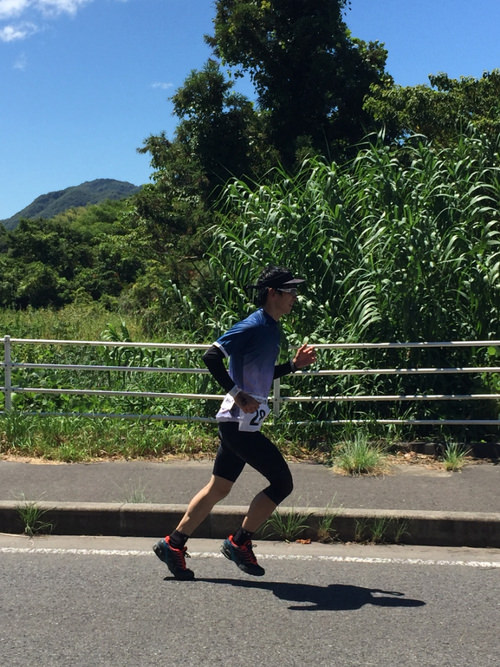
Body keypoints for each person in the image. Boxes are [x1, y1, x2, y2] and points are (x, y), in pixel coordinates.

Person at [153, 264, 316, 579]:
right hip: (237, 423)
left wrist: (293, 366)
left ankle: (172, 544)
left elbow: (262, 374)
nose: (295, 297)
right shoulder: (253, 325)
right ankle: (239, 542)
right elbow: (211, 356)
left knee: (219, 487)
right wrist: (238, 394)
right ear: (273, 294)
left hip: (241, 423)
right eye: (290, 291)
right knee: (282, 483)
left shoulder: (271, 327)